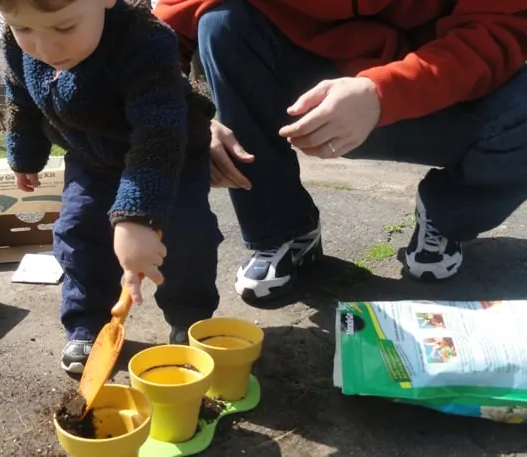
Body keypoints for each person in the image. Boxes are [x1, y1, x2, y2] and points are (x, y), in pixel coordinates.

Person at [153, 0, 527, 302]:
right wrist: (188, 112)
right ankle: (284, 231)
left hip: (435, 91)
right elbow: (163, 31)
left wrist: (383, 93)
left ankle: (448, 215)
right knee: (222, 24)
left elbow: (498, 29)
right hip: (307, 91)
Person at [0, 0, 222, 373]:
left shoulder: (144, 39)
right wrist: (25, 157)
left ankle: (190, 319)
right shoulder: (18, 47)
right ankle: (87, 324)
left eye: (65, 28)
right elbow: (21, 101)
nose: (46, 49)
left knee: (183, 234)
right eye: (25, 29)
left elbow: (157, 133)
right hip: (92, 157)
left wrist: (138, 218)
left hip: (167, 155)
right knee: (77, 231)